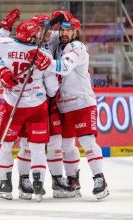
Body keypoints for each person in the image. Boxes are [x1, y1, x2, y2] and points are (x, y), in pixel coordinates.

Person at [27, 17, 110, 200]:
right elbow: (46, 34)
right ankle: (73, 180)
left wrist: (43, 61)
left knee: (88, 141)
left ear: (76, 32)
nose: (64, 33)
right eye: (63, 30)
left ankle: (99, 179)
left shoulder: (78, 47)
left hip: (82, 102)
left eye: (69, 30)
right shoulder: (59, 43)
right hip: (63, 105)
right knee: (65, 145)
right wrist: (50, 21)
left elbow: (64, 67)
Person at [0, 9, 58, 202]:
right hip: (38, 107)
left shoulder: (6, 45)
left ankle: (5, 185)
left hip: (13, 106)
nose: (40, 35)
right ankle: (37, 185)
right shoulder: (42, 53)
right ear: (30, 35)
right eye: (36, 33)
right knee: (37, 147)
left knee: (6, 145)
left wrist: (4, 27)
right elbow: (52, 88)